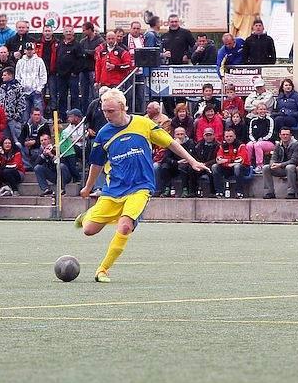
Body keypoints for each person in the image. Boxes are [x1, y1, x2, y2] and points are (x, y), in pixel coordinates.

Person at [74, 89, 209, 282]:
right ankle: (89, 215)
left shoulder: (143, 124)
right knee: (89, 230)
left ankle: (102, 270)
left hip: (140, 187)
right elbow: (96, 164)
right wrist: (88, 187)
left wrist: (192, 161)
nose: (107, 115)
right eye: (104, 111)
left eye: (111, 111)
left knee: (124, 226)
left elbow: (171, 143)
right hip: (114, 188)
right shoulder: (103, 134)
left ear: (122, 107)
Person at [156, 127, 197, 197]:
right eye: (178, 134)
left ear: (185, 135)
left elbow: (191, 155)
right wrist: (177, 162)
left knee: (183, 167)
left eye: (182, 134)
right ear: (174, 135)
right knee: (164, 167)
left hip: (186, 165)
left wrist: (180, 146)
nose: (180, 136)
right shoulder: (170, 143)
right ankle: (167, 189)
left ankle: (185, 190)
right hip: (175, 164)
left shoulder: (190, 142)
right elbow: (166, 158)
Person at [261, 127, 298, 199]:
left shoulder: (296, 145)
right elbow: (273, 157)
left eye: (287, 134)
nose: (285, 136)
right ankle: (269, 192)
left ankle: (291, 192)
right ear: (280, 135)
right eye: (283, 134)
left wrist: (280, 165)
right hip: (280, 168)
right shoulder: (278, 145)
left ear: (291, 135)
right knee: (265, 168)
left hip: (293, 169)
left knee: (290, 167)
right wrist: (272, 164)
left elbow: (294, 160)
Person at [212, 128, 252, 198]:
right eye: (227, 136)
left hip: (242, 169)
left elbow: (240, 160)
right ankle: (219, 192)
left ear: (235, 136)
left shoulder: (241, 145)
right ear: (224, 137)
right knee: (214, 167)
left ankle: (239, 192)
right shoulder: (222, 146)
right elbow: (218, 159)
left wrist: (226, 160)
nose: (229, 138)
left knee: (237, 166)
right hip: (227, 168)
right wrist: (229, 163)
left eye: (231, 136)